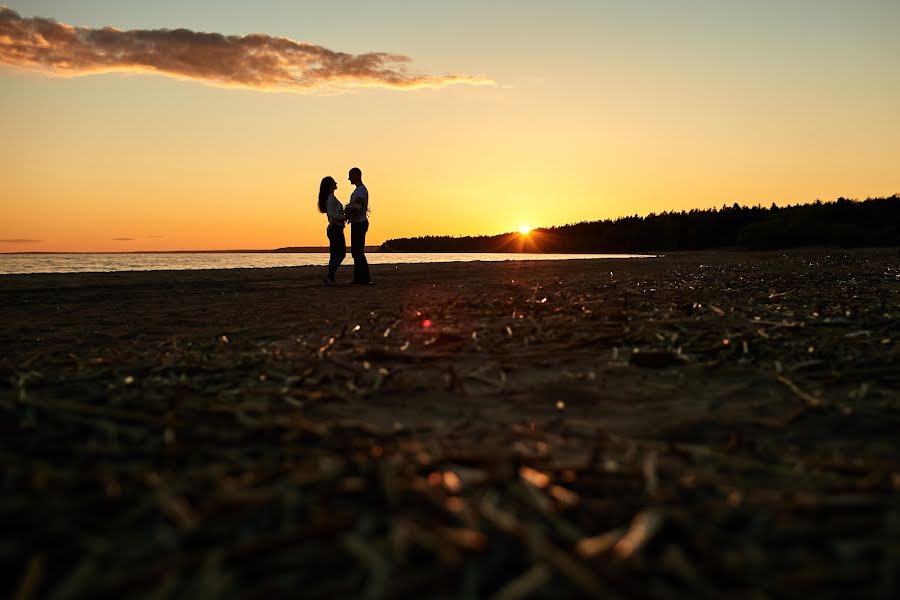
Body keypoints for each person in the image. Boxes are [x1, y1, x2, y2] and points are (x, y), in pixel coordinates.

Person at [347, 167, 373, 284]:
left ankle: (365, 279)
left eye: (350, 176)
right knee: (356, 251)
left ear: (356, 176)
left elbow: (358, 206)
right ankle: (358, 278)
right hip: (356, 222)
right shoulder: (357, 190)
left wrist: (348, 213)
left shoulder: (361, 191)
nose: (349, 179)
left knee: (358, 251)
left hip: (360, 222)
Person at [317, 176, 345, 285]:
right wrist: (345, 216)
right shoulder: (331, 199)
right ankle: (329, 276)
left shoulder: (331, 198)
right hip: (335, 228)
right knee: (341, 253)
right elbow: (332, 215)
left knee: (334, 254)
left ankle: (331, 278)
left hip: (335, 228)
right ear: (330, 185)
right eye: (334, 182)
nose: (336, 183)